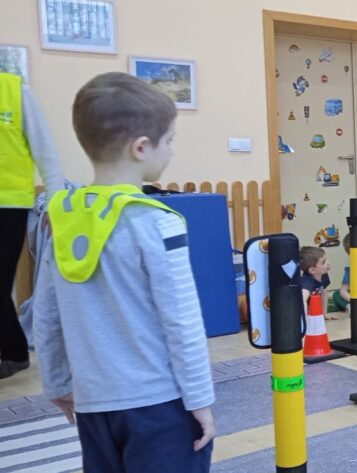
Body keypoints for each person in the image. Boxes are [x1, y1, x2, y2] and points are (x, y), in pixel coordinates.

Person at [33, 72, 215, 471]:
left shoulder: (62, 218)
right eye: (169, 141)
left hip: (93, 404)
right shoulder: (158, 223)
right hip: (160, 404)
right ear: (141, 147)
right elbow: (182, 322)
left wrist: (58, 383)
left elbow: (45, 315)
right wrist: (200, 399)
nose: (171, 150)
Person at [0, 72, 63, 380]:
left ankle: (13, 353)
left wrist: (55, 200)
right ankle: (13, 351)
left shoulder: (13, 89)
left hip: (8, 205)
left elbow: (44, 148)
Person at [299, 246, 335, 320]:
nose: (328, 263)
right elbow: (302, 300)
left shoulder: (323, 275)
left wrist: (324, 314)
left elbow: (324, 292)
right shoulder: (307, 282)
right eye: (323, 262)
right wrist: (305, 321)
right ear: (312, 270)